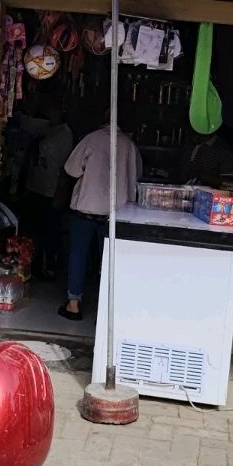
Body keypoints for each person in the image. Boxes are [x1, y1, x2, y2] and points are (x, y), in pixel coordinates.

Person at [59, 119, 141, 321]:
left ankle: (73, 304)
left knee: (78, 256)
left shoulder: (91, 139)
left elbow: (71, 169)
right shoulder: (130, 146)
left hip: (87, 208)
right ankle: (107, 308)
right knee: (111, 260)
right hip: (116, 213)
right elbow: (138, 174)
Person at [21, 99, 73, 279]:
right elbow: (24, 123)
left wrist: (61, 192)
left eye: (51, 109)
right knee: (36, 230)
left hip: (51, 189)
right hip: (36, 185)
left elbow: (67, 167)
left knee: (51, 230)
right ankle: (34, 266)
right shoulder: (46, 128)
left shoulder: (65, 134)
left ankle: (52, 266)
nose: (48, 112)